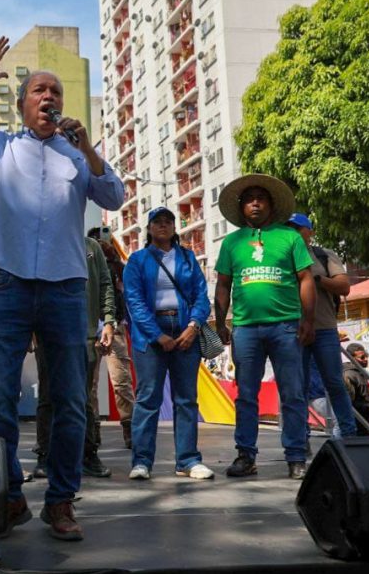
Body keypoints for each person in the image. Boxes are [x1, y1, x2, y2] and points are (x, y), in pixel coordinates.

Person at [0, 37, 124, 541]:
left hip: (65, 290)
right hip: (9, 287)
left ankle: (60, 501)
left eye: (56, 92)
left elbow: (114, 194)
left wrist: (86, 146)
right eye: (39, 90)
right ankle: (13, 494)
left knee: (69, 400)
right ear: (22, 105)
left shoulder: (78, 155)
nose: (49, 98)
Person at [214, 174, 315, 480]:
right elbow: (222, 284)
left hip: (286, 327)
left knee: (293, 393)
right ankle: (246, 456)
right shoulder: (231, 242)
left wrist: (307, 320)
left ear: (271, 204)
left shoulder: (291, 238)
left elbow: (306, 279)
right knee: (246, 394)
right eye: (249, 199)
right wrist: (221, 322)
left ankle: (296, 457)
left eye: (261, 198)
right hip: (245, 329)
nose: (255, 202)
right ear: (241, 207)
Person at [124, 207, 213, 481]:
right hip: (151, 334)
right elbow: (134, 301)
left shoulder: (187, 258)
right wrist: (156, 335)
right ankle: (141, 461)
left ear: (174, 228)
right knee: (148, 398)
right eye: (157, 222)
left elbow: (201, 295)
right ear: (148, 229)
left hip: (186, 330)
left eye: (168, 222)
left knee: (186, 399)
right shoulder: (137, 260)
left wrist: (193, 326)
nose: (163, 226)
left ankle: (187, 460)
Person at [34, 235, 116, 479]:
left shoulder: (91, 247)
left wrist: (109, 320)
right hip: (48, 332)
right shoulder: (41, 242)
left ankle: (88, 454)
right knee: (48, 396)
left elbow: (105, 284)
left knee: (83, 397)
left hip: (86, 333)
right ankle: (45, 456)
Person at [284, 213, 356, 439]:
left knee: (335, 383)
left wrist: (315, 280)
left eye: (298, 228)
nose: (292, 232)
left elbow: (344, 286)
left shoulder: (324, 255)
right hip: (293, 330)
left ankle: (348, 435)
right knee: (297, 388)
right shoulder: (281, 257)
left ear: (310, 232)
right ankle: (299, 439)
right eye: (289, 228)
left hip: (324, 328)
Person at [88, 226, 135, 448]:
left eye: (103, 239)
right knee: (90, 383)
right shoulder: (83, 260)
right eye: (96, 240)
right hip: (89, 327)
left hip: (114, 325)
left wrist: (113, 257)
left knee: (122, 380)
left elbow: (128, 283)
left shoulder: (116, 263)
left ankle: (130, 429)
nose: (100, 243)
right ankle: (92, 431)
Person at [342, 344, 369, 436]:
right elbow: (350, 404)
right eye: (362, 357)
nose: (366, 359)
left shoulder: (359, 373)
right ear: (352, 358)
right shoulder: (349, 374)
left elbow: (361, 397)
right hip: (359, 425)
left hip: (367, 421)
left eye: (366, 356)